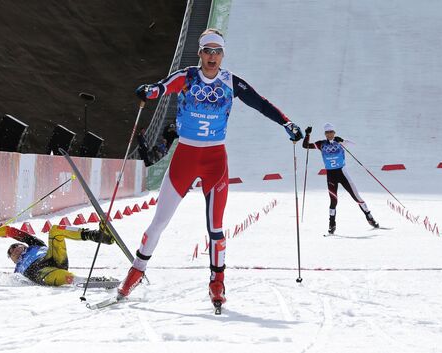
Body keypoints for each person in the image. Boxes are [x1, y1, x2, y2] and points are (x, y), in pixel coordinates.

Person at [118, 28, 303, 306]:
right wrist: (148, 91)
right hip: (185, 158)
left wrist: (286, 122)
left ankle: (217, 282)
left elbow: (261, 104)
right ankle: (136, 272)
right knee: (158, 223)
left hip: (215, 160)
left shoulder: (231, 82)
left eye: (217, 51)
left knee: (215, 227)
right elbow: (161, 87)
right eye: (207, 51)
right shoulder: (187, 76)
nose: (212, 56)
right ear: (200, 53)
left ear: (223, 54)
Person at [0, 224, 117, 287]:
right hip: (39, 272)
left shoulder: (33, 243)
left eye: (15, 246)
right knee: (64, 277)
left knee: (55, 229)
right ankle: (94, 281)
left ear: (22, 244)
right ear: (12, 261)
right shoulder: (17, 272)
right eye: (11, 253)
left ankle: (99, 236)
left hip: (53, 257)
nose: (14, 250)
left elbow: (6, 230)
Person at [302, 123, 379, 234]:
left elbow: (354, 144)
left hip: (343, 174)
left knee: (356, 196)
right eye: (327, 132)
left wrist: (342, 140)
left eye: (331, 132)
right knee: (333, 201)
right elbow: (305, 146)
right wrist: (307, 134)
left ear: (334, 132)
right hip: (331, 175)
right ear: (325, 134)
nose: (329, 134)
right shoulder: (321, 144)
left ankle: (369, 217)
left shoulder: (339, 142)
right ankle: (332, 224)